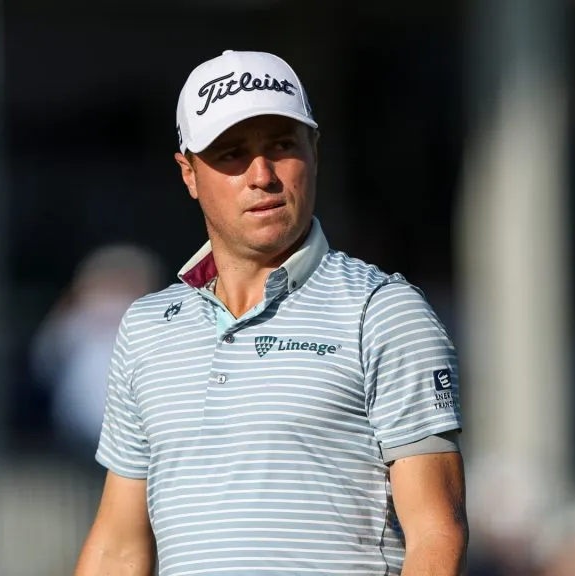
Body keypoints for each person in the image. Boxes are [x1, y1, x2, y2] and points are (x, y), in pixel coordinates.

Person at [74, 50, 467, 576]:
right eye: (232, 154)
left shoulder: (383, 310)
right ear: (189, 173)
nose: (261, 175)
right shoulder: (147, 328)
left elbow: (436, 535)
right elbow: (118, 550)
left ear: (314, 152)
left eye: (282, 146)